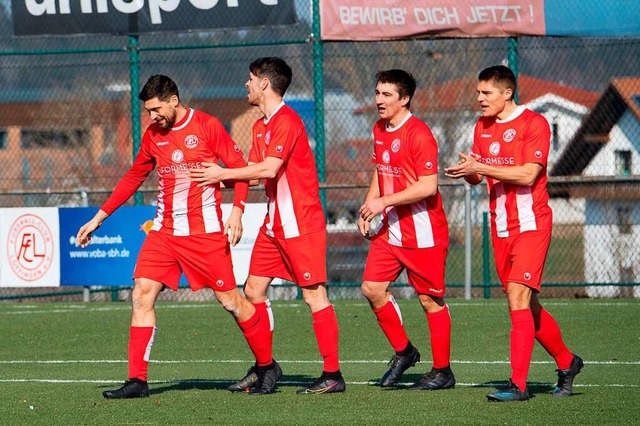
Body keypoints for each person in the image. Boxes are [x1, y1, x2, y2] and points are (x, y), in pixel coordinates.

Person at [77, 75, 272, 399]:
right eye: (148, 111)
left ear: (174, 100)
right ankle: (137, 381)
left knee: (231, 301)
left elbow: (239, 170)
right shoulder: (153, 135)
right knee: (141, 293)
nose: (152, 117)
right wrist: (99, 217)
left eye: (156, 109)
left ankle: (266, 366)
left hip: (205, 234)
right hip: (164, 232)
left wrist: (236, 211)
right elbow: (134, 176)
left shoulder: (208, 126)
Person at [190, 57, 345, 395]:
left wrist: (221, 174)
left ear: (264, 83)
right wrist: (232, 202)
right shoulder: (260, 125)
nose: (245, 84)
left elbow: (269, 169)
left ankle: (332, 374)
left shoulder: (287, 120)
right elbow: (253, 170)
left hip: (301, 223)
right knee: (253, 291)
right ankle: (266, 367)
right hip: (274, 224)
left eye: (250, 79)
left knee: (314, 295)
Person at [444, 65, 583, 402]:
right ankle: (567, 362)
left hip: (532, 224)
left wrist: (480, 167)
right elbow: (480, 175)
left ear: (507, 93)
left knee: (518, 298)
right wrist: (469, 172)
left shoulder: (534, 124)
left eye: (486, 93)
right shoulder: (482, 126)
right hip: (500, 227)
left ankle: (517, 385)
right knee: (526, 304)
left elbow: (527, 175)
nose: (479, 99)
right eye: (478, 92)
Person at [357, 69, 455, 391]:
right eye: (377, 93)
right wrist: (368, 207)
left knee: (429, 301)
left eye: (386, 95)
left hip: (423, 233)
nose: (378, 100)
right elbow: (380, 170)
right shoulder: (379, 128)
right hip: (390, 231)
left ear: (405, 98)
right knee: (372, 289)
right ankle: (405, 352)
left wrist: (383, 202)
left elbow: (428, 186)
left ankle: (442, 371)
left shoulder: (419, 135)